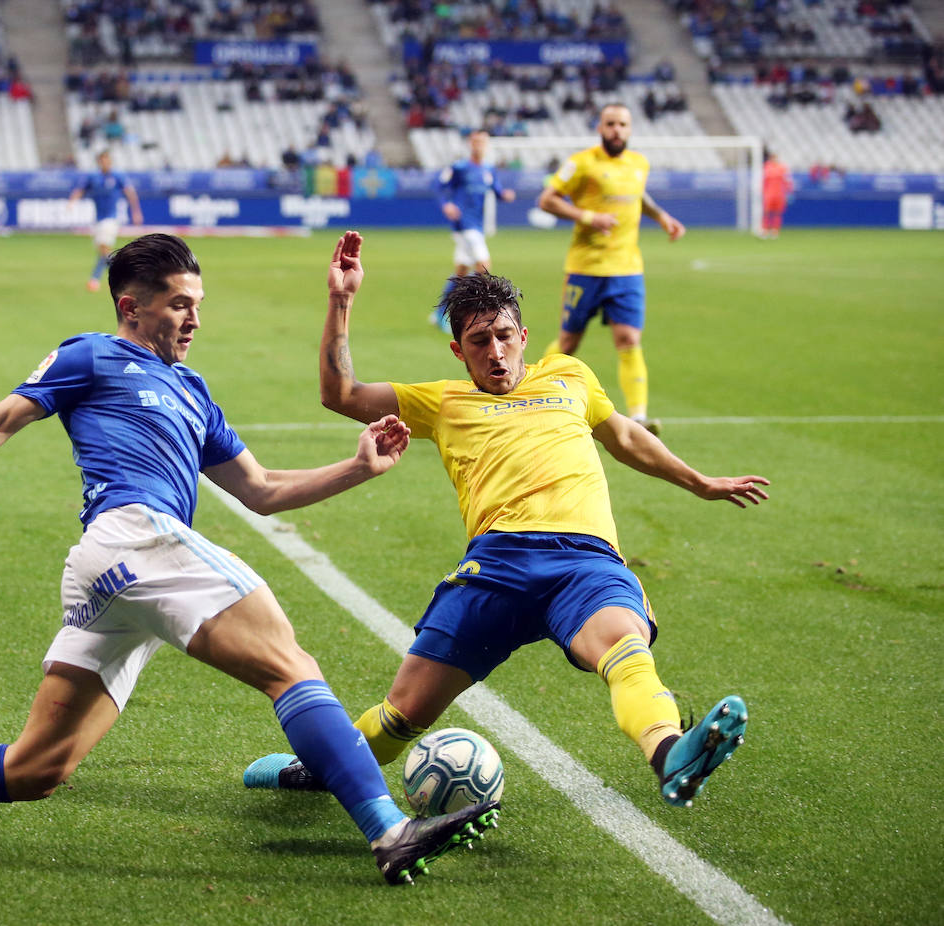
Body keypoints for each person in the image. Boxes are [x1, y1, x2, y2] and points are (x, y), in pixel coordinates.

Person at [0, 234, 499, 885]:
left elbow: (263, 490)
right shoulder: (93, 354)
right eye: (179, 305)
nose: (193, 319)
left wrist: (357, 467)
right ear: (132, 307)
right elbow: (0, 419)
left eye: (198, 304)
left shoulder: (194, 390)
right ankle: (389, 833)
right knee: (290, 664)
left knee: (35, 770)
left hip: (117, 575)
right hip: (131, 536)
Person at [245, 231, 767, 810]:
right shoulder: (441, 401)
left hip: (584, 559)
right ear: (458, 352)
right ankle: (317, 770)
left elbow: (623, 437)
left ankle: (671, 753)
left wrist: (701, 482)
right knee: (403, 713)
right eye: (477, 342)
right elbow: (339, 392)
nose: (494, 353)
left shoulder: (570, 375)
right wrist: (342, 301)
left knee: (624, 645)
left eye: (501, 337)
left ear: (522, 336)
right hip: (495, 565)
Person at [536, 103, 685, 435]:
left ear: (630, 129)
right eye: (610, 124)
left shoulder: (638, 163)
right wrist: (590, 217)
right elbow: (547, 200)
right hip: (586, 267)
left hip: (627, 269)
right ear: (600, 128)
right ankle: (533, 392)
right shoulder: (581, 163)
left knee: (629, 338)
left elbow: (637, 196)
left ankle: (639, 417)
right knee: (569, 342)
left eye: (622, 124)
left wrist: (662, 217)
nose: (616, 129)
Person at [431, 129, 516, 334]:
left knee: (461, 271)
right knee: (484, 265)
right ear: (470, 144)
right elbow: (438, 186)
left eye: (482, 142)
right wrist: (446, 205)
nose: (479, 145)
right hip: (464, 224)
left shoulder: (488, 170)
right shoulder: (460, 167)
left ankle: (440, 313)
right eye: (476, 142)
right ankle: (474, 313)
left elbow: (495, 190)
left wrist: (504, 195)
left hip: (477, 225)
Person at [68, 149, 143, 293]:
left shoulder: (118, 176)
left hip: (111, 218)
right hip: (98, 219)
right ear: (98, 162)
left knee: (104, 249)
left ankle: (100, 279)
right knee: (103, 252)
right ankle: (125, 275)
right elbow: (80, 190)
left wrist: (136, 212)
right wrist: (72, 202)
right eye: (102, 160)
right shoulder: (93, 176)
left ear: (110, 161)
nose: (105, 163)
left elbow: (130, 193)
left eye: (107, 160)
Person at [760, 149, 793, 239]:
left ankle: (775, 231)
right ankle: (765, 230)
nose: (774, 159)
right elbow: (763, 181)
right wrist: (762, 192)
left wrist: (789, 192)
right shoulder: (767, 167)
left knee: (777, 213)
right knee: (767, 213)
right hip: (769, 194)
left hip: (779, 194)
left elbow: (788, 181)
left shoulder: (782, 168)